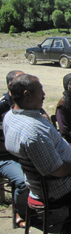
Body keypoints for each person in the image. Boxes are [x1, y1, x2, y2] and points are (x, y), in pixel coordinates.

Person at [3, 74, 71, 234]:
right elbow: (56, 170)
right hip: (58, 186)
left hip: (39, 181)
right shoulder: (33, 131)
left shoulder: (10, 117)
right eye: (40, 90)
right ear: (27, 95)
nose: (44, 95)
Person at [0, 70, 27, 227]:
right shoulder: (3, 106)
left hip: (22, 153)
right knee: (23, 180)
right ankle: (21, 213)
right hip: (5, 156)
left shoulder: (26, 101)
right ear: (11, 86)